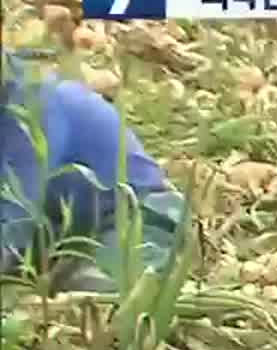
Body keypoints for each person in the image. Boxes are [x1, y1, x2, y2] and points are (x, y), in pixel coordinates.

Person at [1, 49, 189, 293]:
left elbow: (16, 219)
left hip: (139, 218)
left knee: (92, 289)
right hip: (60, 235)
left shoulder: (35, 107)